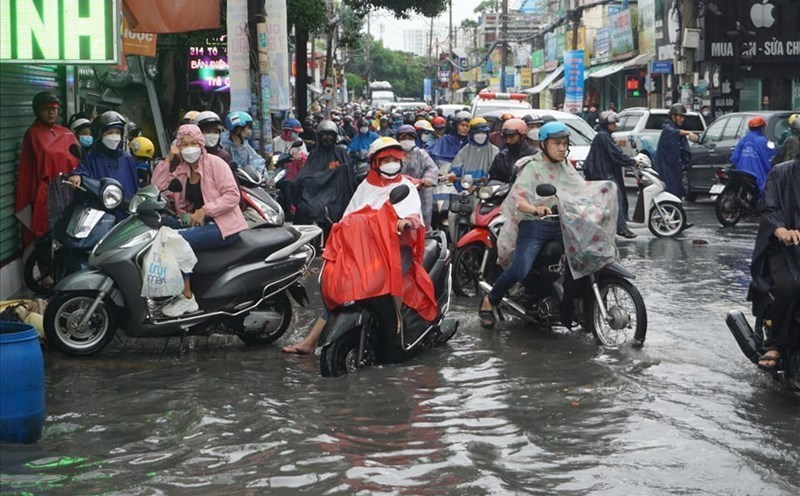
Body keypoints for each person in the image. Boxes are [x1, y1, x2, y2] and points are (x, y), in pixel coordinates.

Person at [282, 137, 425, 355]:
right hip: (366, 251)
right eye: (384, 159)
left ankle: (396, 325)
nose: (390, 163)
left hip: (395, 248)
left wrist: (405, 222)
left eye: (393, 159)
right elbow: (350, 216)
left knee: (393, 278)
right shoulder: (365, 187)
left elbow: (413, 213)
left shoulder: (405, 186)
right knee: (341, 289)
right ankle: (310, 342)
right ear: (375, 162)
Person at [478, 122, 586, 329]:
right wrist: (535, 209)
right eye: (557, 143)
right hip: (535, 224)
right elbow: (518, 199)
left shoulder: (566, 166)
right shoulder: (531, 167)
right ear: (544, 144)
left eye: (564, 143)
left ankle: (569, 306)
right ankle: (489, 300)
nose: (562, 148)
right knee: (520, 268)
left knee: (583, 260)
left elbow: (580, 189)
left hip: (563, 224)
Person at [152, 124, 248, 317]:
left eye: (193, 143)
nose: (189, 148)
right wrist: (169, 158)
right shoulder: (181, 169)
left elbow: (232, 196)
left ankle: (187, 297)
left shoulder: (215, 163)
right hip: (194, 223)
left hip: (223, 225)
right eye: (184, 144)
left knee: (174, 240)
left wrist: (205, 210)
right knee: (157, 227)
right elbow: (157, 187)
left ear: (201, 144)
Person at [748, 157, 800, 370]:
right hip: (784, 249)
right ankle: (776, 344)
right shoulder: (781, 173)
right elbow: (770, 209)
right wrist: (781, 230)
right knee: (791, 286)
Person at [14, 92, 80, 246]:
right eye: (46, 109)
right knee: (50, 232)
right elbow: (28, 170)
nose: (51, 112)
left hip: (71, 187)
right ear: (37, 111)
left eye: (54, 108)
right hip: (49, 191)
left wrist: (78, 175)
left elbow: (79, 160)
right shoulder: (33, 135)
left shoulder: (66, 132)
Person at [289, 120, 357, 226]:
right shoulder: (314, 154)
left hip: (336, 195)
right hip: (314, 193)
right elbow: (306, 173)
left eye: (330, 135)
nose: (327, 138)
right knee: (303, 208)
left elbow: (347, 176)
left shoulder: (341, 153)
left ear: (335, 136)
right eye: (324, 135)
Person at [583, 111, 639, 238]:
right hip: (604, 174)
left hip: (604, 172)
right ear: (606, 124)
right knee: (616, 198)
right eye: (612, 123)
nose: (615, 125)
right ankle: (621, 228)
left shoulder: (604, 136)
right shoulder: (603, 137)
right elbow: (615, 154)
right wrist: (631, 161)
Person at [68, 111, 139, 199]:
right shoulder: (92, 158)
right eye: (110, 133)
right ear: (99, 135)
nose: (114, 136)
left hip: (126, 207)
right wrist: (77, 176)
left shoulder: (127, 158)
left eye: (117, 132)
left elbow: (135, 186)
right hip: (101, 208)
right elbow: (82, 172)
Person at [395, 124, 438, 227]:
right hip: (398, 193)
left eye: (410, 138)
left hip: (420, 192)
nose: (407, 140)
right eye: (404, 138)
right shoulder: (394, 155)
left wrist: (427, 179)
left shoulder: (421, 154)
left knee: (422, 217)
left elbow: (432, 168)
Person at [655, 104, 698, 198]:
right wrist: (689, 133)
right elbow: (675, 132)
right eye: (680, 116)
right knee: (670, 194)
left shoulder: (675, 129)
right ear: (673, 116)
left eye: (683, 117)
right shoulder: (668, 128)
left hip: (675, 169)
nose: (682, 119)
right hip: (666, 169)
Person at [730, 116, 777, 195]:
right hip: (758, 177)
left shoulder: (744, 139)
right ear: (762, 128)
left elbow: (734, 158)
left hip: (742, 174)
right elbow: (770, 158)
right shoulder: (763, 141)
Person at [448, 117, 499, 186]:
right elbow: (457, 165)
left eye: (483, 133)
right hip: (465, 185)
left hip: (485, 188)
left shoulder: (494, 150)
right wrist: (452, 175)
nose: (481, 136)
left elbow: (496, 171)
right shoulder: (465, 149)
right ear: (471, 134)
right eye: (477, 134)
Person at [488, 118, 537, 184]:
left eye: (512, 137)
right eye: (506, 137)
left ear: (522, 137)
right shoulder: (501, 156)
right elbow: (494, 179)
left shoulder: (533, 155)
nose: (508, 141)